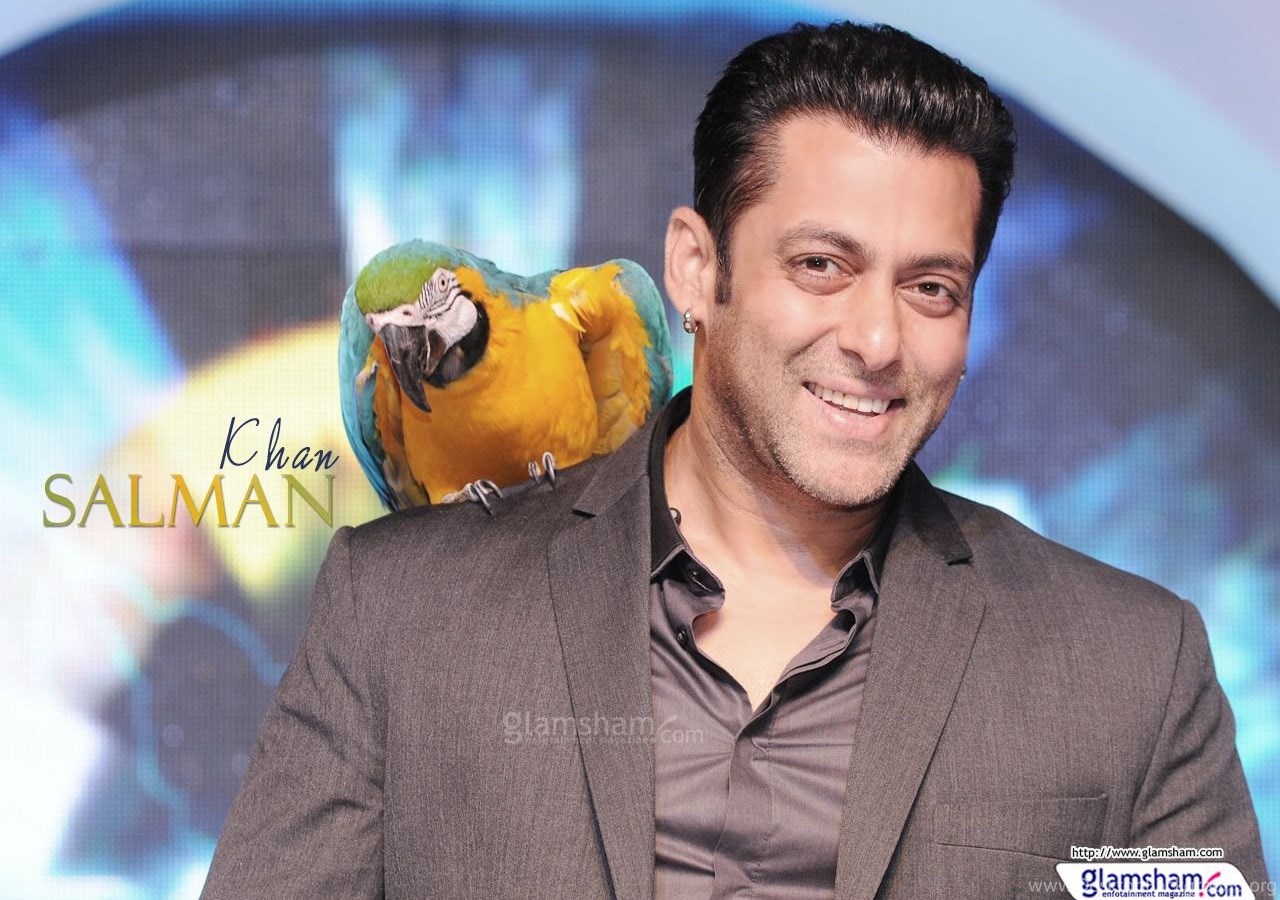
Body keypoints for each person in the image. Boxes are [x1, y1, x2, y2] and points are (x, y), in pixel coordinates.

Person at [201, 21, 1268, 900]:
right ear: (692, 269)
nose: (877, 340)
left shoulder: (1133, 666)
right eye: (821, 266)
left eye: (930, 288)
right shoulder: (400, 614)